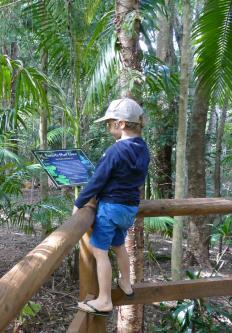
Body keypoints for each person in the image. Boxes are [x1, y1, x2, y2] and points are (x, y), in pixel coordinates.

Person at [72, 98, 150, 316]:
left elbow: (97, 180)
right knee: (119, 246)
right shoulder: (142, 149)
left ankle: (104, 300)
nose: (108, 126)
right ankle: (126, 283)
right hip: (129, 208)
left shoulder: (115, 152)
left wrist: (79, 204)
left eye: (110, 122)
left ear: (122, 124)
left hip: (111, 207)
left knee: (99, 250)